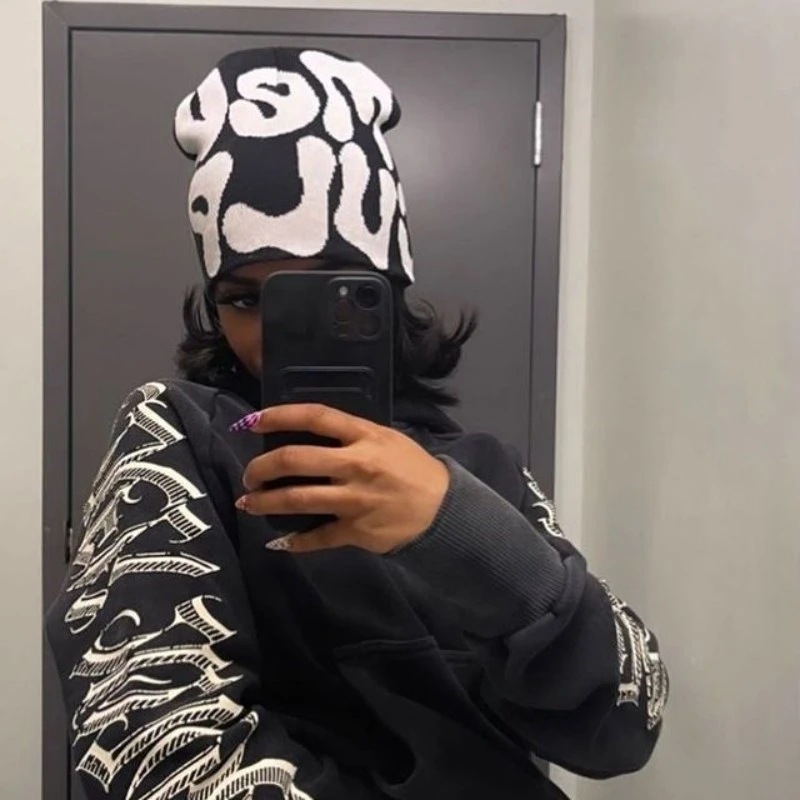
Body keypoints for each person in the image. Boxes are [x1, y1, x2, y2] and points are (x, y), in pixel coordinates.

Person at [46, 47, 668, 800]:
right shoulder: (177, 434)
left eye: (326, 291)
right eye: (244, 299)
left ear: (385, 292)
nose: (274, 331)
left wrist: (457, 529)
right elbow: (153, 752)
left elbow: (627, 720)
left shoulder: (483, 471)